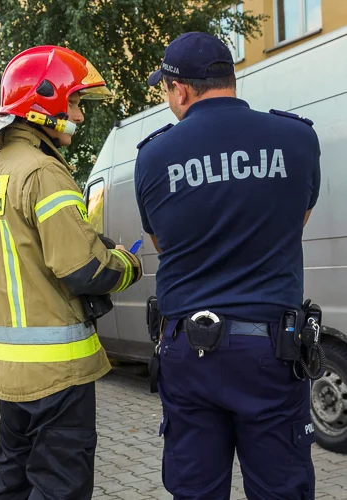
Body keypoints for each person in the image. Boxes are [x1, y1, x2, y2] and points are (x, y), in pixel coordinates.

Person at [134, 32, 321, 499]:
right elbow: (295, 222)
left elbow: (162, 241)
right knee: (281, 489)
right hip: (272, 353)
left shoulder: (153, 156)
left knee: (195, 490)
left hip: (188, 353)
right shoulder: (297, 139)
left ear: (180, 90)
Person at [0, 45, 143, 499]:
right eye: (75, 104)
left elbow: (27, 251)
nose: (80, 118)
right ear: (44, 103)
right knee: (59, 486)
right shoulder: (44, 171)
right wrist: (127, 264)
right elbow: (83, 269)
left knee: (13, 479)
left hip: (10, 370)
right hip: (56, 374)